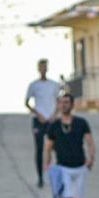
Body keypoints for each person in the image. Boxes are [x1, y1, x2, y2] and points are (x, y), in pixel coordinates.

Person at [42, 91, 94, 198]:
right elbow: (48, 146)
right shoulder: (54, 126)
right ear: (58, 105)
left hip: (80, 166)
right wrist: (47, 163)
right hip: (62, 167)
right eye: (61, 102)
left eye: (67, 102)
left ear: (72, 104)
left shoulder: (81, 122)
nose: (64, 105)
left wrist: (91, 158)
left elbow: (90, 141)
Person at [25, 59, 62, 188]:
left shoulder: (54, 85)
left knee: (56, 148)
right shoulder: (33, 85)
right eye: (41, 67)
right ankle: (40, 177)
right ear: (38, 68)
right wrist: (37, 114)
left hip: (52, 119)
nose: (43, 69)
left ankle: (58, 175)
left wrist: (54, 114)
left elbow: (59, 101)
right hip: (39, 120)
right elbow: (27, 102)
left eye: (45, 67)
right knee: (39, 148)